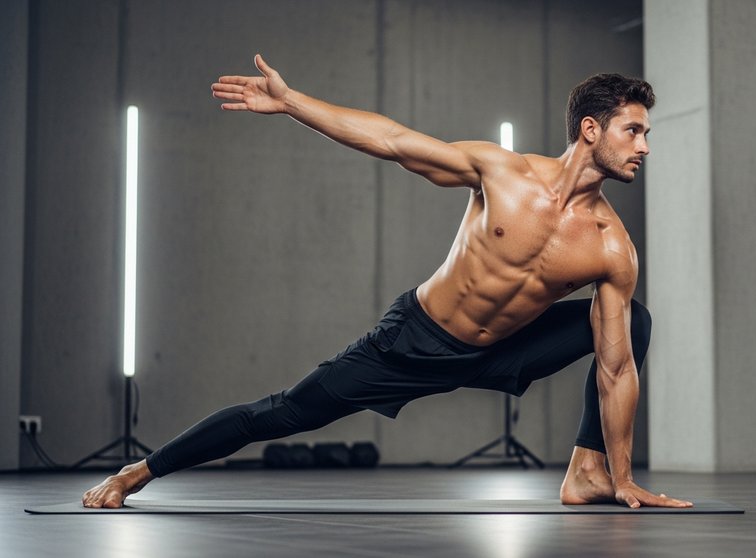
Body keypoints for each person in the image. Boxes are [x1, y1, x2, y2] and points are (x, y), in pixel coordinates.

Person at [83, 54, 691, 510]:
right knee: (286, 412)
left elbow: (616, 369)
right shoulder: (503, 174)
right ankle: (140, 471)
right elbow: (394, 140)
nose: (643, 146)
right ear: (590, 129)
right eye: (632, 131)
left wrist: (625, 473)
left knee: (633, 320)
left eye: (645, 134)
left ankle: (587, 474)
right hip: (416, 341)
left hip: (504, 347)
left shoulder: (612, 247)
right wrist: (294, 103)